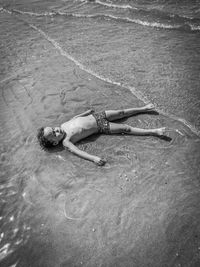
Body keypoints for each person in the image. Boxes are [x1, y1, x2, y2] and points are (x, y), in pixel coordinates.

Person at [37, 104, 166, 166]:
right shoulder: (66, 142)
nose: (56, 130)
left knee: (120, 112)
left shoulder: (64, 125)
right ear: (55, 142)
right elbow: (77, 152)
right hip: (100, 127)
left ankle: (143, 108)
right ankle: (153, 131)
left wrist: (85, 112)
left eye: (53, 128)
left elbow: (74, 118)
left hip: (96, 116)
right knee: (125, 128)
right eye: (54, 134)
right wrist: (93, 158)